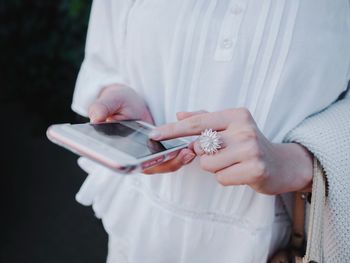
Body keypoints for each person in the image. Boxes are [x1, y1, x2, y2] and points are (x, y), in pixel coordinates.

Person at [71, 0, 350, 262]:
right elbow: (106, 55)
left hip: (277, 245)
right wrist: (118, 95)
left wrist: (296, 163)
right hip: (139, 236)